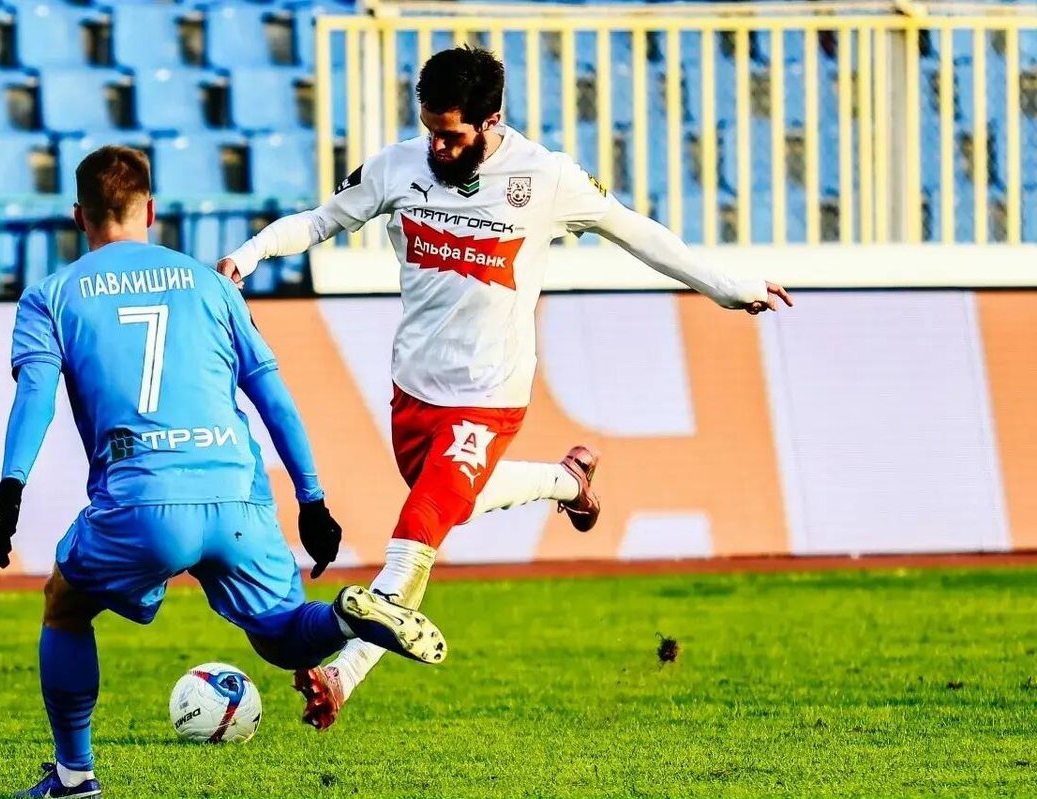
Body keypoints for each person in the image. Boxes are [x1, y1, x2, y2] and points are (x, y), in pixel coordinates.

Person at [217, 47, 793, 731]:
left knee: (424, 521)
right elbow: (319, 220)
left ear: (491, 121)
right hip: (413, 390)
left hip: (489, 394)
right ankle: (566, 481)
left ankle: (341, 675)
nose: (437, 146)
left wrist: (727, 288)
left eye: (451, 135)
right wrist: (248, 255)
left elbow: (637, 232)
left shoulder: (544, 178)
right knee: (447, 501)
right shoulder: (398, 167)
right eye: (430, 131)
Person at [0, 145, 447, 798]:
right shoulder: (211, 284)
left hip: (142, 499)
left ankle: (74, 776)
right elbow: (271, 392)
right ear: (151, 211)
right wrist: (312, 498)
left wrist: (10, 492)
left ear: (79, 215)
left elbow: (35, 396)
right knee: (285, 637)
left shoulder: (51, 296)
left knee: (65, 604)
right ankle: (349, 618)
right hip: (236, 494)